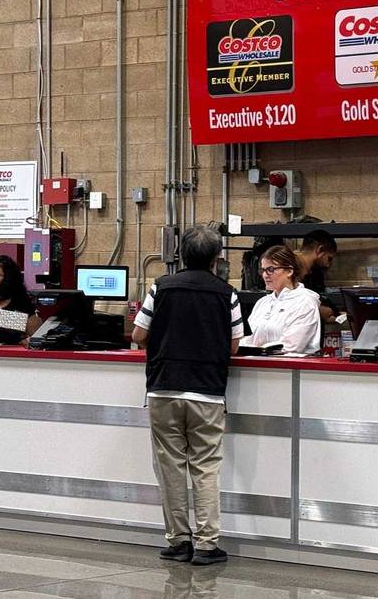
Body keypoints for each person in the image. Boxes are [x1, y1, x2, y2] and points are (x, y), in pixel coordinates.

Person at [132, 225, 242, 566]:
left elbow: (138, 334)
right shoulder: (227, 293)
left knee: (170, 466)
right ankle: (207, 544)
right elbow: (235, 345)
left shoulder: (160, 287)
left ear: (180, 254)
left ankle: (178, 541)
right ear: (217, 258)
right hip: (207, 391)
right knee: (205, 467)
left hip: (164, 387)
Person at [241, 244, 321, 355]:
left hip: (291, 369)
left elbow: (292, 346)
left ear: (289, 271)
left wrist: (259, 350)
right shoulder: (262, 303)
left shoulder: (305, 302)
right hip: (256, 366)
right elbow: (246, 338)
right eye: (263, 270)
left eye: (271, 269)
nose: (265, 275)